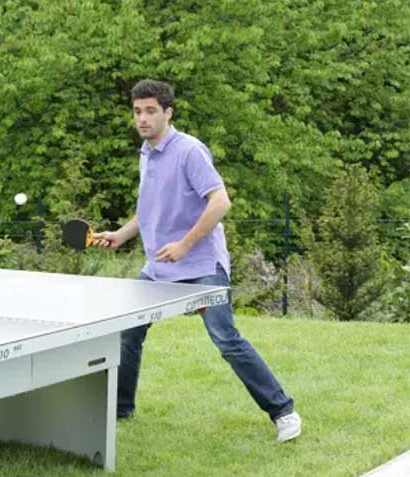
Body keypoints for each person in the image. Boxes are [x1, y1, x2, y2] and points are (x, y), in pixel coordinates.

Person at [94, 80, 301, 442]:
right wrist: (121, 235)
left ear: (168, 112)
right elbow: (150, 209)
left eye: (150, 111)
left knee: (226, 339)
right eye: (137, 111)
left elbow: (220, 202)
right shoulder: (146, 152)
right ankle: (121, 409)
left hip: (203, 267)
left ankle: (283, 411)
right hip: (158, 269)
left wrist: (185, 245)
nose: (142, 118)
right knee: (128, 331)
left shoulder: (189, 151)